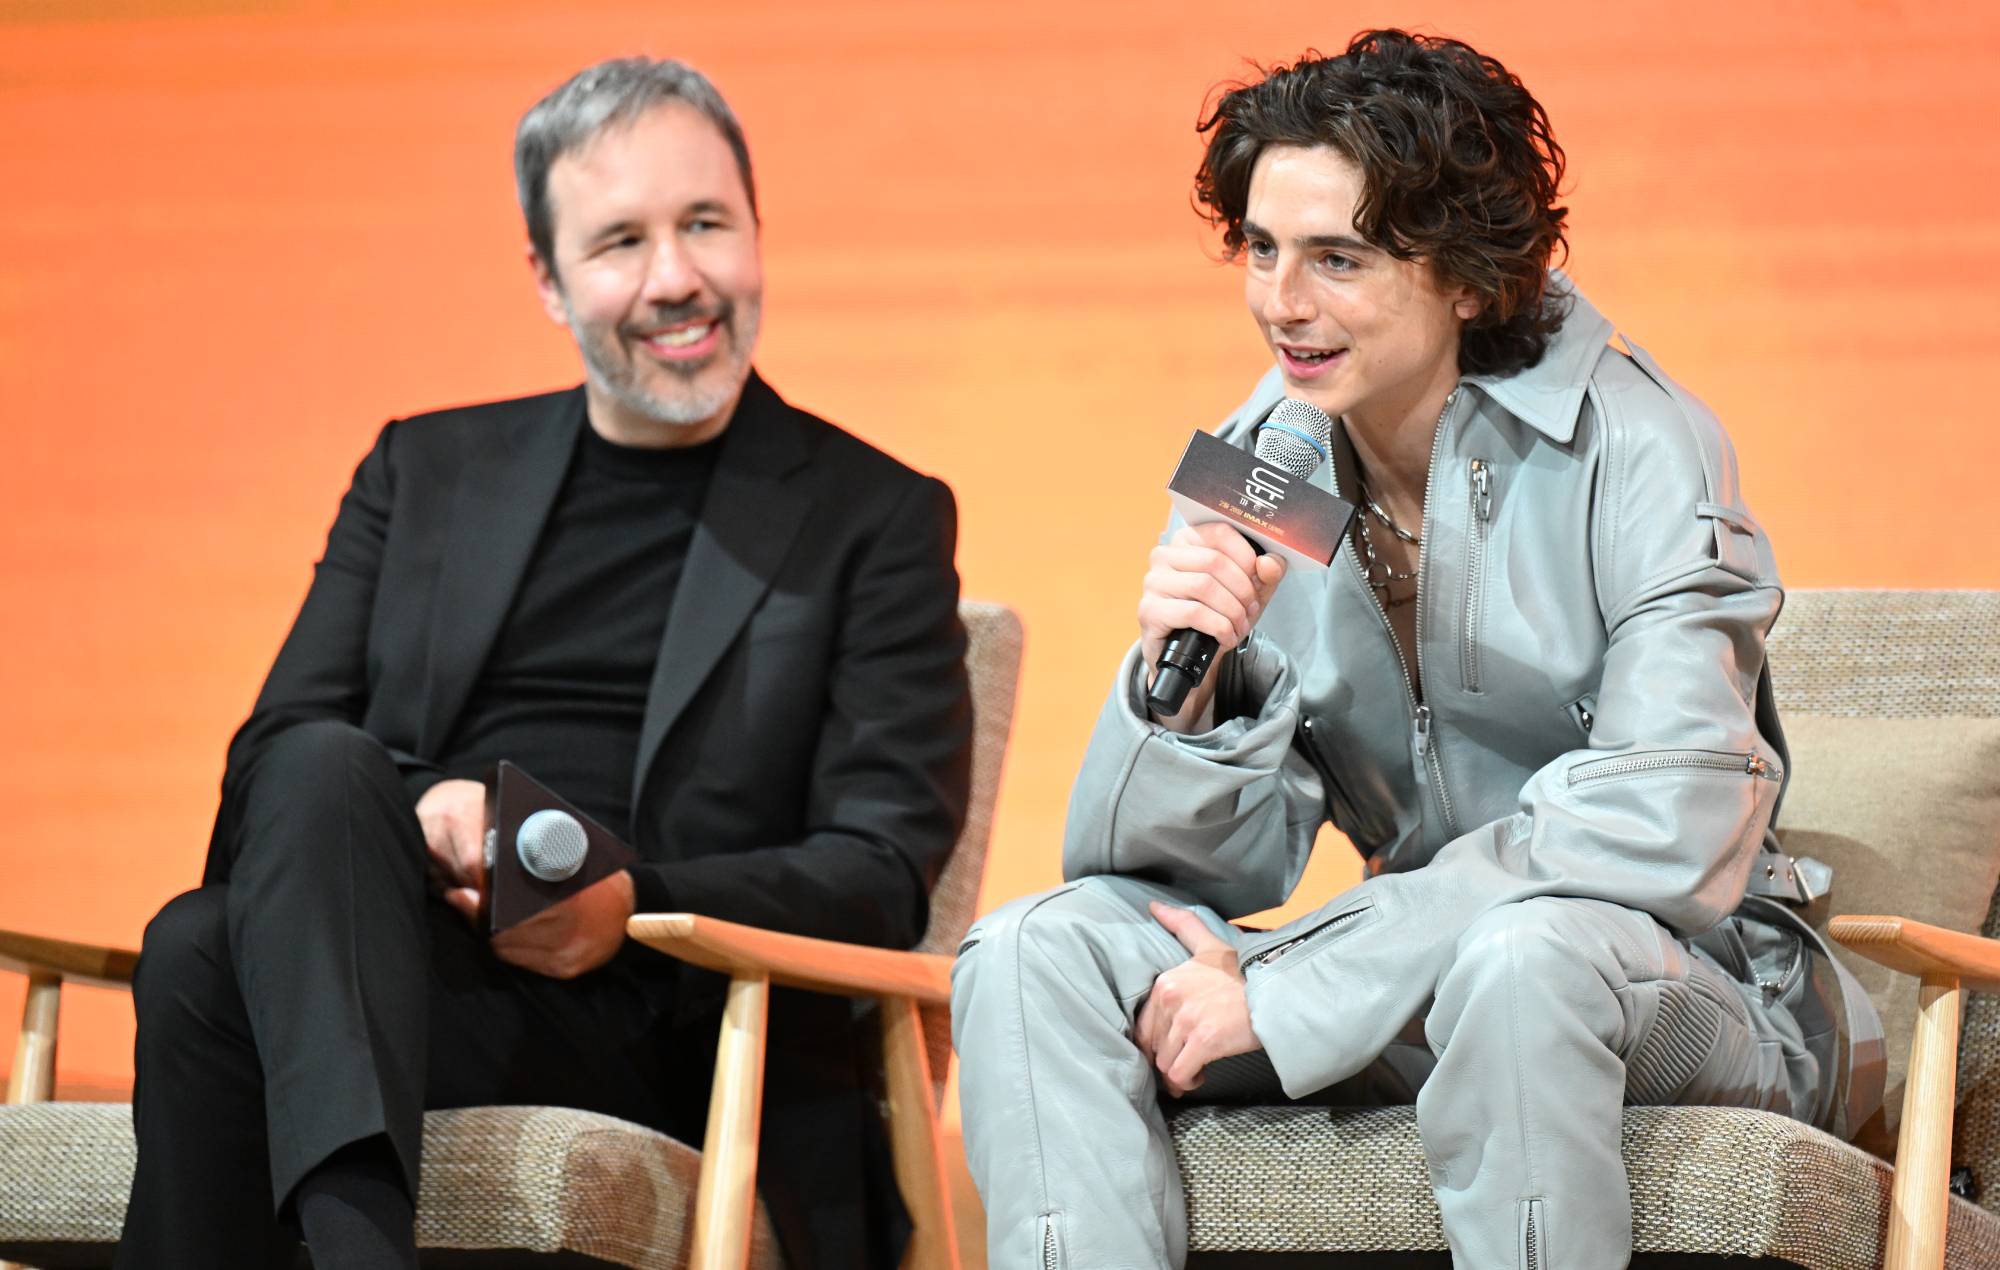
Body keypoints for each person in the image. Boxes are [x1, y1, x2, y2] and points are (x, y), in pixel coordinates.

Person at [951, 29, 1881, 1270]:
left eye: (1335, 258)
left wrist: (1295, 988)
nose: (1282, 303)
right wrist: (1188, 698)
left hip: (1680, 982)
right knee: (1036, 947)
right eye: (1263, 250)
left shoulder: (1637, 442)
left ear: (1462, 273)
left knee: (1521, 955)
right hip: (1410, 974)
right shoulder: (1260, 460)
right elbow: (1165, 873)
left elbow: (1666, 822)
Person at [116, 57, 971, 1270]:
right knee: (315, 767)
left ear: (757, 233)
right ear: (549, 280)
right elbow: (268, 758)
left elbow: (881, 867)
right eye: (620, 240)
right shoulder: (424, 471)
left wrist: (633, 903)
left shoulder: (872, 514)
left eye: (705, 224)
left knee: (199, 955)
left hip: (666, 1021)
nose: (676, 279)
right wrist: (427, 807)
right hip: (409, 955)